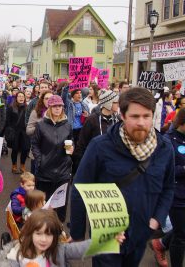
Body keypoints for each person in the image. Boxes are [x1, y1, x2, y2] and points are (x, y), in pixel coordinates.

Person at [70, 87, 175, 266]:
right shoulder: (100, 146)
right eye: (135, 116)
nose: (141, 122)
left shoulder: (164, 149)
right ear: (123, 115)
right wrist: (78, 234)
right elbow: (80, 188)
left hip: (142, 230)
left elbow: (168, 187)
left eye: (146, 116)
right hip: (107, 231)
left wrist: (156, 220)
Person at [0, 209, 125, 266]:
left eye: (49, 234)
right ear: (30, 233)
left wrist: (108, 239)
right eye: (39, 233)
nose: (43, 239)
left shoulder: (59, 251)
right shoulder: (16, 255)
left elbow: (83, 248)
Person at [31, 95, 73, 222]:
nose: (57, 108)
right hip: (45, 172)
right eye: (55, 106)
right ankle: (42, 232)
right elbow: (35, 145)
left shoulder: (68, 125)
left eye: (60, 106)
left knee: (60, 208)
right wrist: (40, 160)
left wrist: (71, 149)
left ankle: (58, 232)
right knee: (43, 207)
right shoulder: (41, 125)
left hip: (63, 172)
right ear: (49, 107)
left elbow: (71, 142)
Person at [73, 90, 120, 168]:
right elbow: (82, 143)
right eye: (116, 102)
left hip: (112, 164)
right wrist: (80, 165)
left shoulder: (118, 120)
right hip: (94, 163)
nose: (118, 104)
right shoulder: (92, 120)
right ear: (108, 103)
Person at [164, 108, 185, 267]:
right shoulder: (168, 140)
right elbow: (165, 171)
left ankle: (161, 243)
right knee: (181, 235)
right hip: (177, 195)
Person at [6, 92, 31, 174]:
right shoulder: (11, 107)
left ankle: (22, 165)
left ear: (24, 98)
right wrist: (9, 130)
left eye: (22, 96)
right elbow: (8, 120)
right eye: (19, 96)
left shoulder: (28, 108)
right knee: (15, 149)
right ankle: (14, 165)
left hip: (24, 132)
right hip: (15, 132)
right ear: (16, 98)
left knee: (24, 149)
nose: (21, 98)